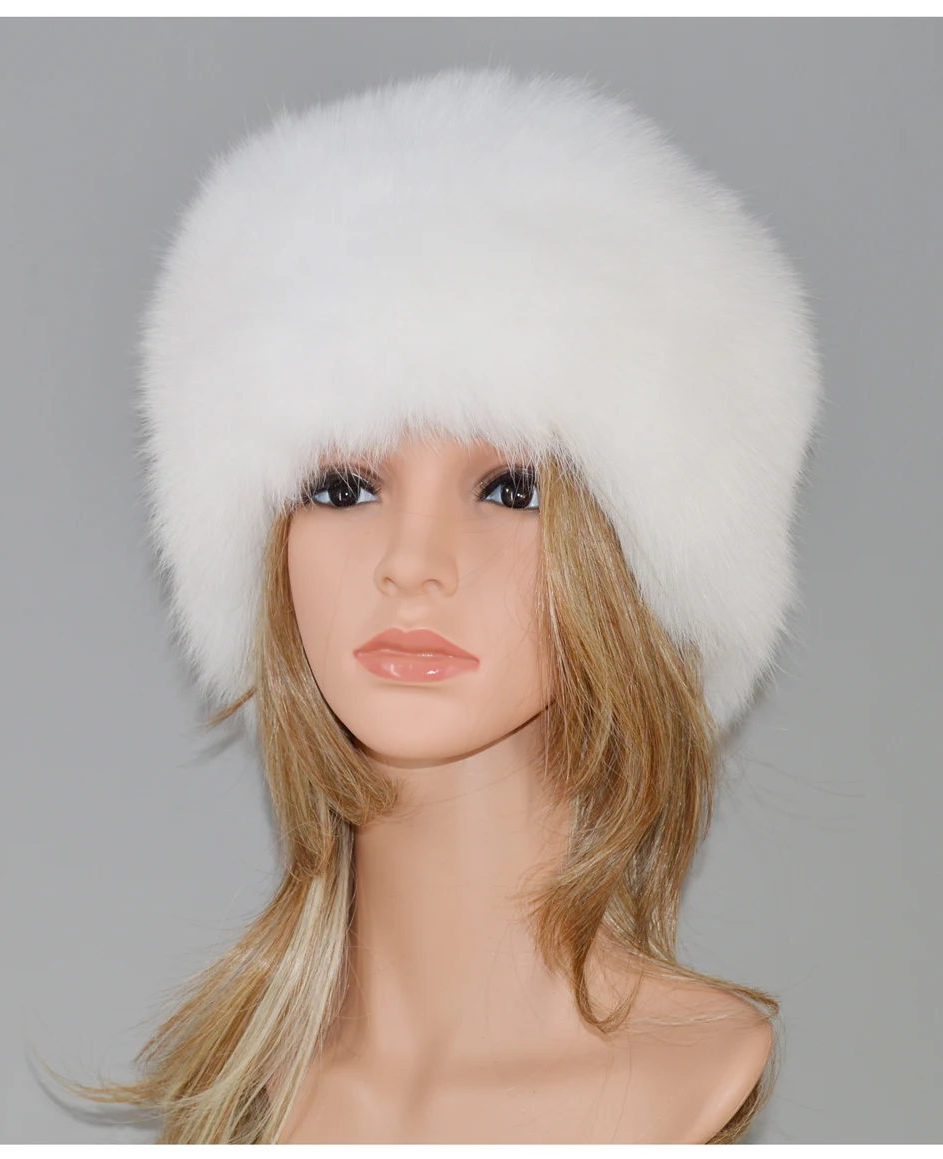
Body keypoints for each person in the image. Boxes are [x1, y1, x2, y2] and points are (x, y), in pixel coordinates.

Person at [46, 66, 822, 1143]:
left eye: (510, 490)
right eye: (343, 486)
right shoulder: (248, 1088)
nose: (412, 564)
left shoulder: (685, 1070)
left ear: (635, 565)